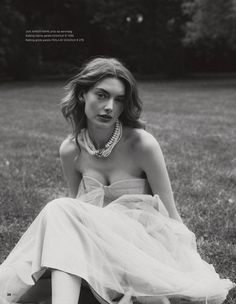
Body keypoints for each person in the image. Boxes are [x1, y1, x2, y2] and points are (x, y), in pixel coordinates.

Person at [0, 57, 234, 304]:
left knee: (58, 210)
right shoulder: (70, 150)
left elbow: (171, 215)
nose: (110, 106)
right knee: (25, 287)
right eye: (101, 95)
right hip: (99, 248)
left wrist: (186, 263)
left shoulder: (142, 144)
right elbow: (78, 205)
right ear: (82, 94)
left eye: (119, 99)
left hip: (141, 248)